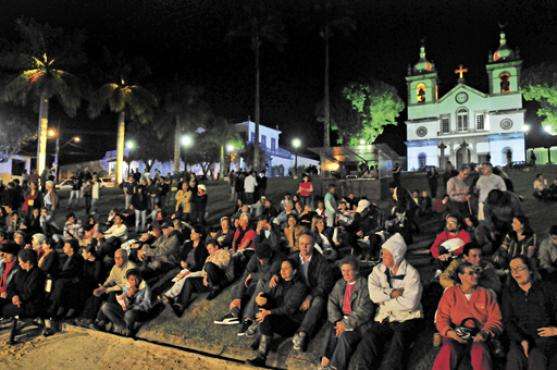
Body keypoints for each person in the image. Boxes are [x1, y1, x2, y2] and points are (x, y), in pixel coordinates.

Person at [432, 262, 503, 370]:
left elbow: (495, 318)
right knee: (447, 351)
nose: (475, 276)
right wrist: (449, 332)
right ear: (461, 276)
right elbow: (441, 317)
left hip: (478, 334)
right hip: (456, 333)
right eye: (470, 273)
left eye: (476, 272)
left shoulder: (486, 294)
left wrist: (485, 332)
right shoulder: (451, 293)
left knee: (479, 353)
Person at [246, 258, 308, 367]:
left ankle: (261, 357)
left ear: (294, 271)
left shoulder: (300, 286)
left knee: (267, 316)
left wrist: (268, 312)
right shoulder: (278, 281)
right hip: (278, 315)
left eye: (286, 268)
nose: (282, 271)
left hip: (290, 321)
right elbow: (268, 298)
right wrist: (260, 297)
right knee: (264, 299)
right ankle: (263, 334)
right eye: (281, 269)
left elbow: (290, 309)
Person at [502, 256, 557, 370]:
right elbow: (508, 321)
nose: (516, 272)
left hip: (544, 338)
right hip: (521, 337)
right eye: (512, 269)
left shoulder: (548, 289)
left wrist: (556, 330)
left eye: (520, 268)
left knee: (536, 357)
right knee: (514, 357)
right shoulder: (509, 292)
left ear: (530, 269)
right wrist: (522, 340)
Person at [320, 257, 373, 370]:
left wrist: (345, 323)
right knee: (331, 330)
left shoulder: (365, 285)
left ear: (357, 271)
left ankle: (335, 367)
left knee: (345, 337)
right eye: (343, 270)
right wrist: (338, 321)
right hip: (341, 319)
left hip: (359, 323)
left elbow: (364, 311)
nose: (346, 274)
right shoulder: (340, 283)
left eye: (349, 270)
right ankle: (326, 360)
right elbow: (332, 301)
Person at [291, 233, 335, 352]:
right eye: (302, 244)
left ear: (313, 245)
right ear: (298, 245)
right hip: (300, 290)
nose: (304, 247)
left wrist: (310, 297)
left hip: (315, 292)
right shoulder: (293, 258)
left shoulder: (321, 261)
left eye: (308, 244)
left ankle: (302, 334)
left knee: (318, 301)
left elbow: (324, 285)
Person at [97, 269, 153, 337]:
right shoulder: (126, 287)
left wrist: (133, 306)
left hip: (138, 313)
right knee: (105, 306)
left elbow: (147, 305)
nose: (135, 282)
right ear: (128, 280)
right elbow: (121, 302)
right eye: (132, 280)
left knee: (129, 313)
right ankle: (123, 328)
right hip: (126, 311)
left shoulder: (145, 288)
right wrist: (128, 297)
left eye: (136, 279)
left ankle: (129, 329)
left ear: (139, 277)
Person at [0, 249, 45, 319]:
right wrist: (14, 296)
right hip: (16, 300)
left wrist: (18, 298)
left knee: (3, 310)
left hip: (29, 305)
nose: (19, 263)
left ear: (28, 262)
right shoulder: (20, 271)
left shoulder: (38, 274)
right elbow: (10, 286)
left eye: (20, 261)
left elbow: (31, 293)